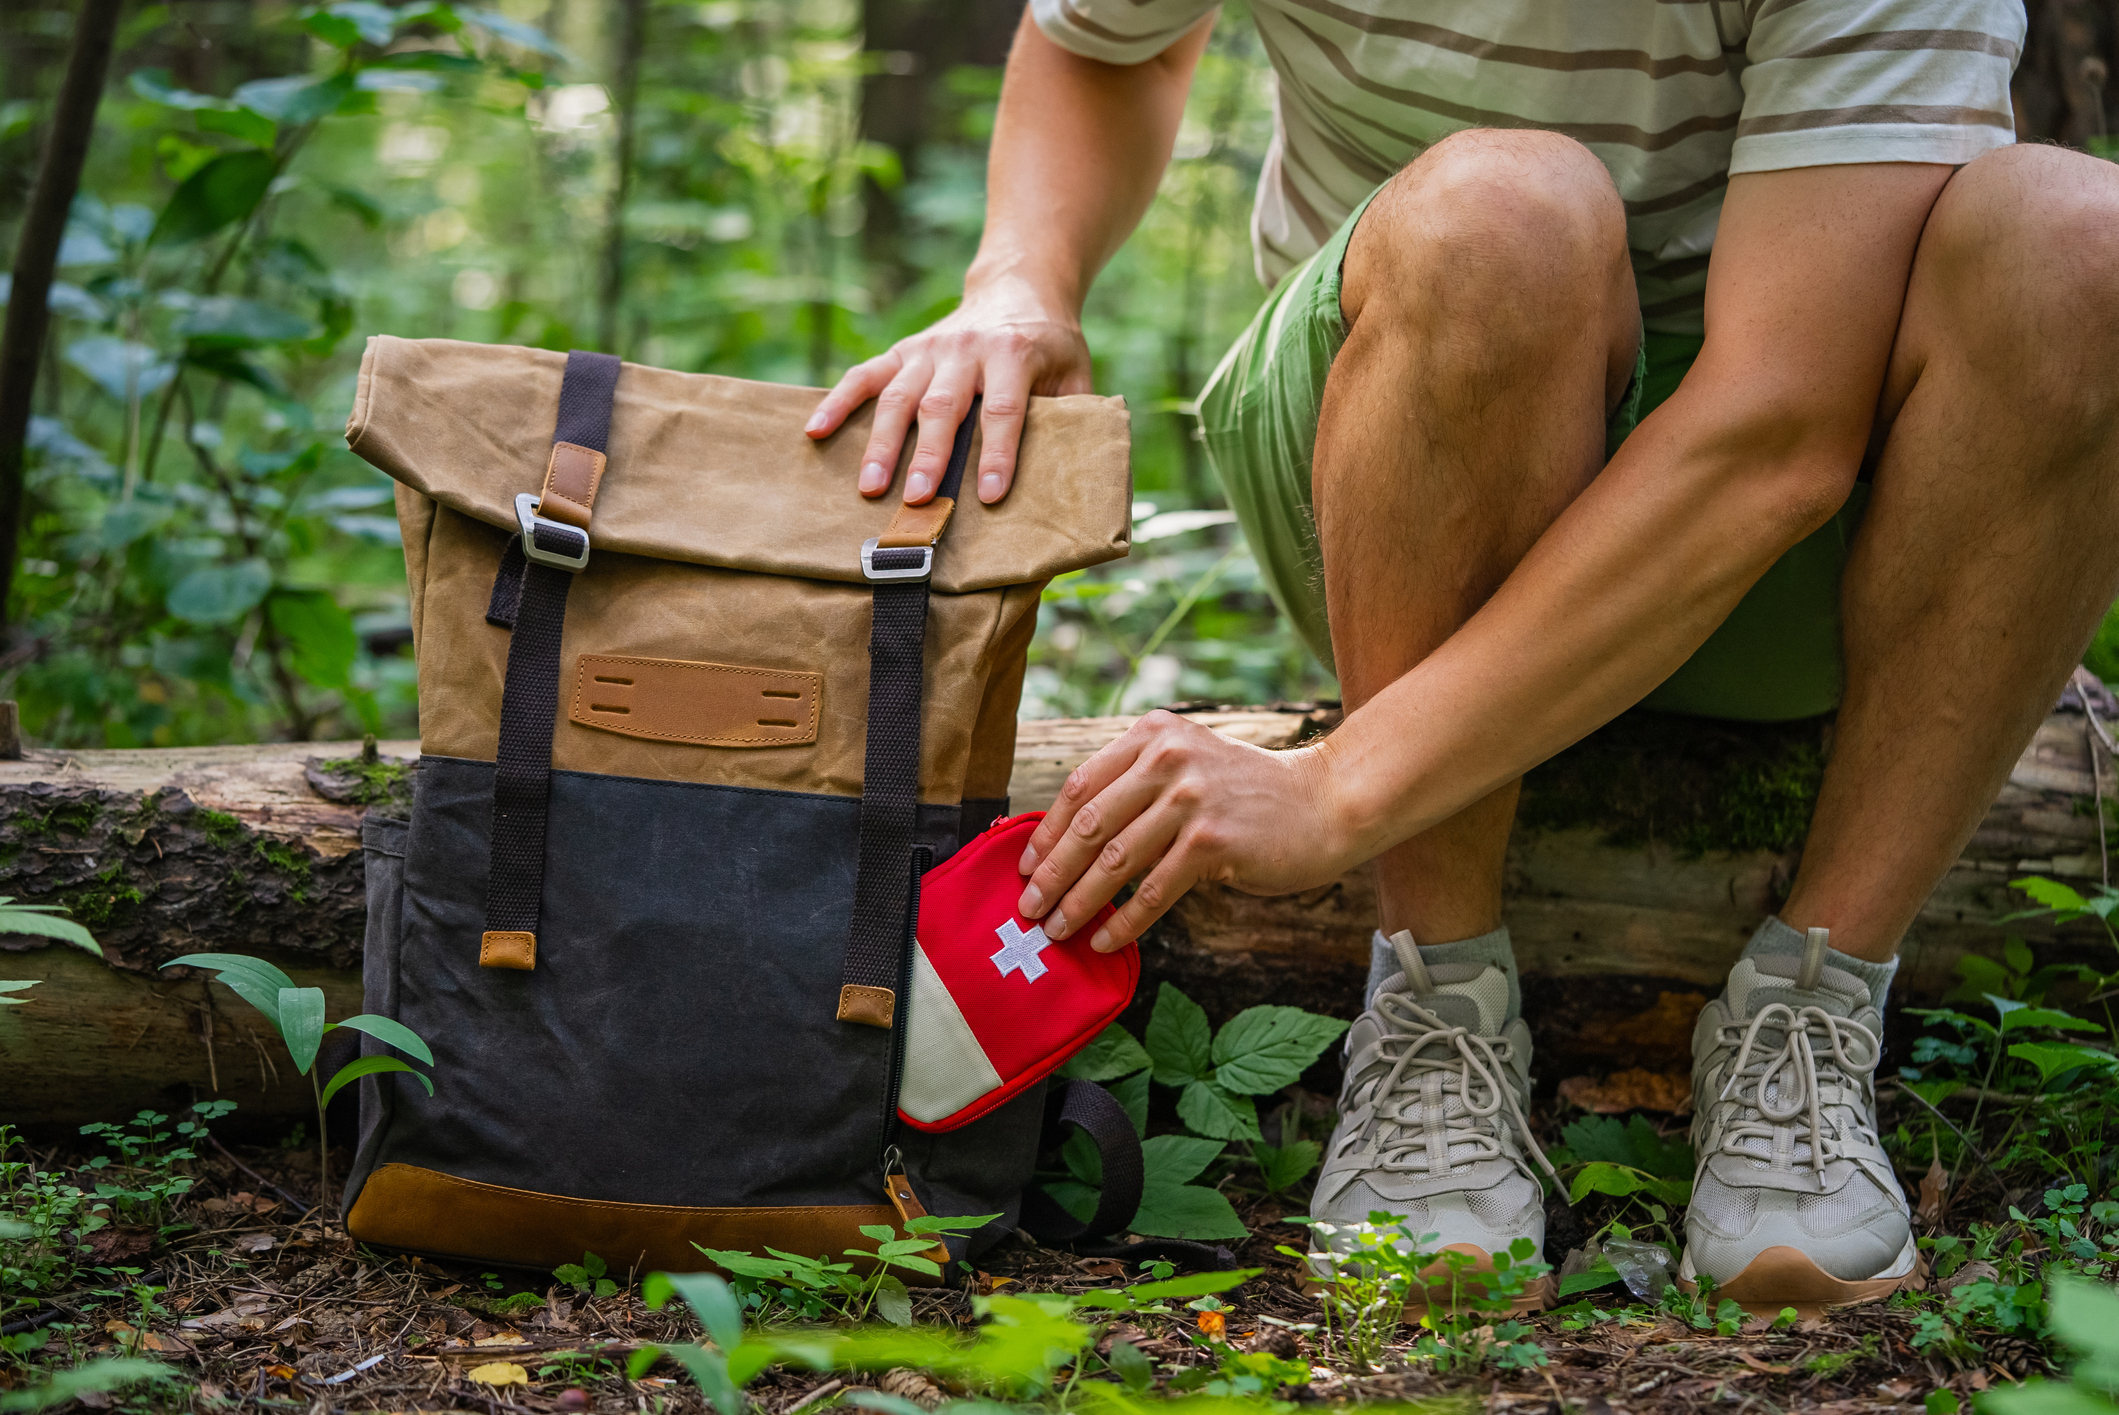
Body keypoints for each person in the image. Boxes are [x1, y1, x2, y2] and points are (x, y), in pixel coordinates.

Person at [806, 0, 2119, 1308]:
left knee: (2084, 249)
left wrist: (1335, 788)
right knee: (1507, 211)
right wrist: (1021, 281)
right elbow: (1113, 40)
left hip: (1802, 527)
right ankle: (1436, 1007)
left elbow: (1782, 434)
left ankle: (1819, 1004)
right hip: (1402, 433)